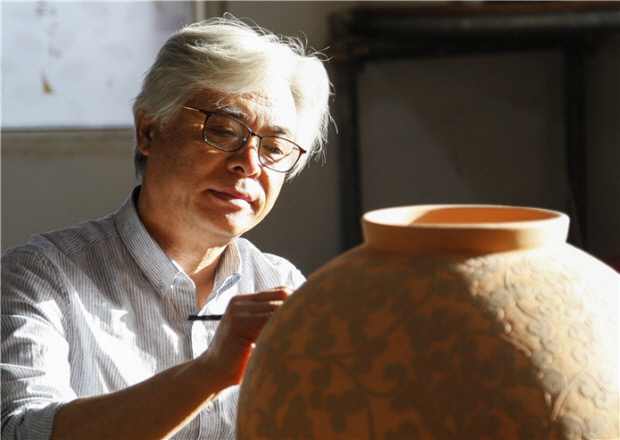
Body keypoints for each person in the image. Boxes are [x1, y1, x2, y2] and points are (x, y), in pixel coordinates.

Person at [1, 15, 331, 440]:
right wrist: (208, 373)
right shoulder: (40, 277)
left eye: (274, 147)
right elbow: (23, 431)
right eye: (223, 130)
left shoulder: (283, 287)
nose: (249, 164)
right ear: (149, 130)